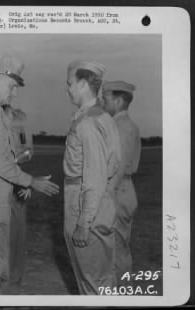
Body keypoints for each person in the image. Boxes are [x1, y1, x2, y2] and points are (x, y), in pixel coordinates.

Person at [0, 54, 59, 295]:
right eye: (12, 86)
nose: (14, 94)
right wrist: (31, 181)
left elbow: (6, 159)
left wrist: (21, 181)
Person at [63, 60, 121, 295]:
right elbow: (113, 169)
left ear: (83, 84)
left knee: (92, 286)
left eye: (70, 83)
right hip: (102, 206)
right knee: (105, 282)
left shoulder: (88, 123)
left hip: (85, 208)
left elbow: (94, 178)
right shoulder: (104, 117)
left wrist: (83, 224)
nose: (67, 89)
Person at [102, 81, 141, 286]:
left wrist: (104, 197)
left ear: (118, 101)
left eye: (106, 98)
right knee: (116, 247)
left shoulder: (121, 126)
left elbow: (119, 166)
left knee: (116, 250)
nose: (102, 102)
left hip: (117, 190)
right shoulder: (122, 125)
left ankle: (121, 297)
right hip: (121, 189)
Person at [2, 105, 33, 294]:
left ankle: (13, 285)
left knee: (17, 234)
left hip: (16, 180)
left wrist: (18, 160)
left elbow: (28, 149)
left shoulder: (19, 117)